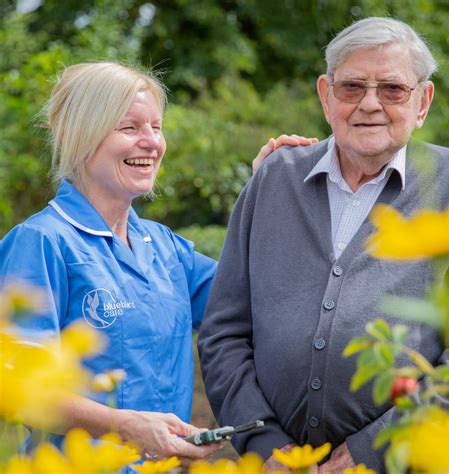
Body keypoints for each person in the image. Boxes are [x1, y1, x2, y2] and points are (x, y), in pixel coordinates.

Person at [0, 62, 316, 464]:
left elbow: (256, 299)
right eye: (129, 128)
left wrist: (265, 194)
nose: (151, 142)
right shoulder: (41, 242)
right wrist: (126, 427)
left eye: (156, 127)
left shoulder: (165, 248)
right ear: (73, 135)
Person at [198, 17, 449, 473]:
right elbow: (224, 332)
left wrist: (373, 450)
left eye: (392, 89)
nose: (370, 104)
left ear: (422, 102)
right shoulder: (274, 179)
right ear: (326, 96)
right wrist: (264, 444)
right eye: (352, 88)